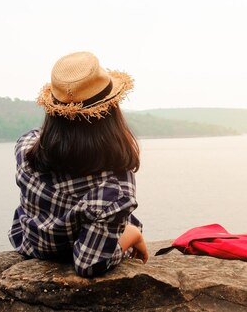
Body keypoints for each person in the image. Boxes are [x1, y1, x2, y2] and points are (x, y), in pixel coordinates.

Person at [8, 51, 148, 277]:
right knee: (125, 220)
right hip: (74, 249)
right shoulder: (114, 188)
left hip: (31, 242)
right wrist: (132, 234)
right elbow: (89, 264)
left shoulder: (26, 146)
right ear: (112, 115)